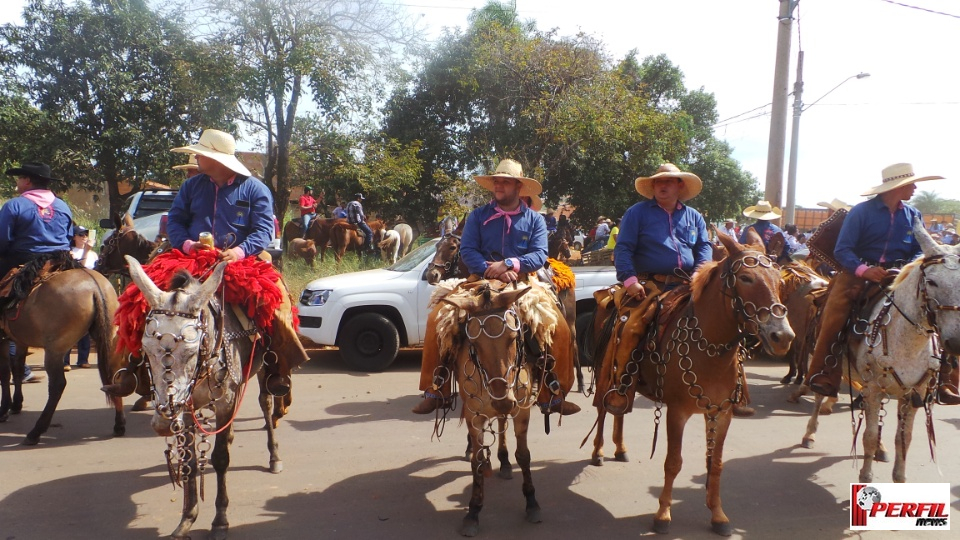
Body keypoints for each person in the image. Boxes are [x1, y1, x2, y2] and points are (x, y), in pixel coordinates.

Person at [412, 158, 579, 416]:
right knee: (437, 318)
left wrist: (510, 264)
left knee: (557, 325)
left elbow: (539, 254)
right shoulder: (479, 216)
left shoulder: (534, 220)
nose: (499, 185)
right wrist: (489, 269)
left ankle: (553, 393)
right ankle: (436, 389)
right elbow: (467, 250)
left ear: (518, 187)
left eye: (505, 181)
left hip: (523, 282)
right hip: (480, 280)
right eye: (496, 181)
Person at [161, 129, 308, 396]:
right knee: (146, 296)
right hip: (192, 258)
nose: (195, 156)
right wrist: (186, 243)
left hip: (241, 261)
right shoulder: (191, 186)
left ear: (215, 159)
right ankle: (134, 365)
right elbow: (175, 221)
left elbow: (264, 231)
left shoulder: (255, 189)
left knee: (275, 300)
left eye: (200, 153)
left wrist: (239, 251)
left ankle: (278, 366)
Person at [804, 163, 959, 405]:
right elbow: (843, 249)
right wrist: (864, 270)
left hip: (901, 273)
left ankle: (945, 378)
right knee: (835, 311)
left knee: (939, 305)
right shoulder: (861, 212)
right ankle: (824, 372)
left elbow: (919, 251)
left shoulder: (913, 215)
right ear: (896, 187)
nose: (916, 187)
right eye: (911, 184)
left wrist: (905, 268)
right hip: (858, 272)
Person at [0, 162, 73, 282]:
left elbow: (2, 240)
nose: (17, 182)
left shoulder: (13, 205)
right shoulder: (63, 206)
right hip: (61, 260)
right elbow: (69, 236)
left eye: (19, 178)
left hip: (24, 260)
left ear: (27, 180)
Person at [64, 225, 97, 370]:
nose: (84, 237)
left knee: (86, 327)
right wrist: (86, 250)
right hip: (73, 292)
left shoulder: (94, 255)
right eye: (81, 235)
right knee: (68, 327)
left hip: (89, 291)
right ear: (74, 237)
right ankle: (65, 360)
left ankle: (83, 358)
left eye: (85, 234)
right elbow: (79, 270)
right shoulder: (70, 253)